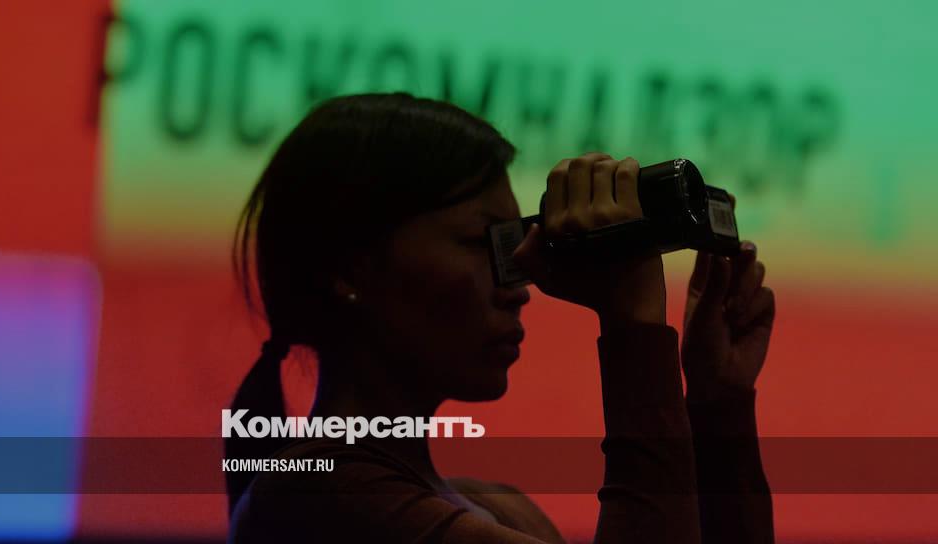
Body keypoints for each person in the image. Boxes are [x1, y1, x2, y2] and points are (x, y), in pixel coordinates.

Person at [225, 92, 776, 543]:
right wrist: (632, 325)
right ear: (348, 268)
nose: (517, 284)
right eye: (477, 243)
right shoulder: (314, 493)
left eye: (509, 245)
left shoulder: (499, 508)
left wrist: (717, 403)